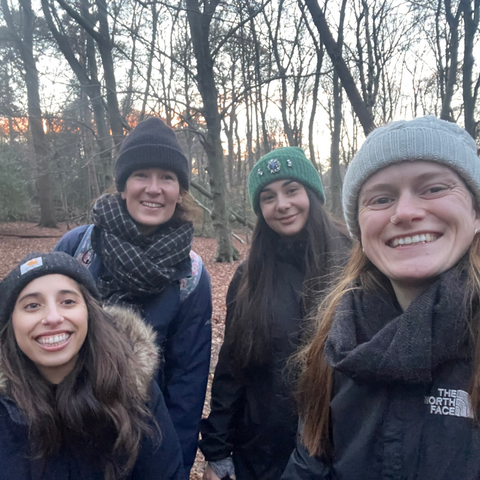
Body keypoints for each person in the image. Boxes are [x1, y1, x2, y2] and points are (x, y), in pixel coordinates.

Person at [282, 116, 480, 480]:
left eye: (434, 188)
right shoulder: (337, 340)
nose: (405, 213)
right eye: (382, 198)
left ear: (476, 212)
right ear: (359, 229)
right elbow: (310, 462)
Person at [54, 116, 212, 474]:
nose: (154, 189)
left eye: (167, 178)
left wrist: (176, 466)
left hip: (144, 443)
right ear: (123, 185)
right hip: (67, 432)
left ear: (179, 191)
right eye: (141, 175)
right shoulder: (78, 247)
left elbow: (187, 386)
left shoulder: (191, 275)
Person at [199, 147, 350, 480]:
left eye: (292, 190)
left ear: (311, 193)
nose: (282, 204)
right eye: (268, 197)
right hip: (263, 451)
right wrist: (217, 451)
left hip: (341, 447)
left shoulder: (354, 263)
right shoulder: (250, 276)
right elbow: (233, 367)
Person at [0, 251, 185, 479]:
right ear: (10, 324)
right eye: (32, 305)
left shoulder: (133, 388)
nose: (53, 317)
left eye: (68, 301)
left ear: (89, 313)